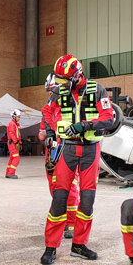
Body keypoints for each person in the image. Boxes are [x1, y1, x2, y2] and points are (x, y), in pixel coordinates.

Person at [40, 55, 114, 265]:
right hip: (68, 149)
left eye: (65, 80)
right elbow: (47, 111)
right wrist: (50, 131)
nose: (61, 84)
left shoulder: (97, 90)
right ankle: (50, 247)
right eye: (59, 79)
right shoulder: (58, 91)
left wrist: (84, 125)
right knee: (59, 198)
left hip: (91, 150)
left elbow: (108, 118)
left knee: (87, 200)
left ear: (77, 75)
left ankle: (79, 245)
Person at [40, 74, 78, 239]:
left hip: (68, 150)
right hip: (51, 153)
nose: (51, 94)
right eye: (49, 91)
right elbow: (41, 135)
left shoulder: (72, 107)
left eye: (53, 90)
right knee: (55, 189)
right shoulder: (48, 110)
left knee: (71, 189)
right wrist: (46, 132)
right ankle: (60, 222)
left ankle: (71, 224)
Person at [5, 109, 22, 179]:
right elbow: (11, 134)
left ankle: (8, 173)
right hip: (13, 143)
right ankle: (11, 173)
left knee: (12, 158)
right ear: (14, 116)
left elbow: (18, 135)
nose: (19, 118)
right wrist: (16, 142)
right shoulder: (12, 124)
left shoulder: (16, 124)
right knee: (16, 158)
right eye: (18, 117)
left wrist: (19, 143)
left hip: (14, 143)